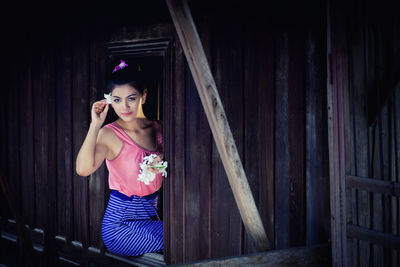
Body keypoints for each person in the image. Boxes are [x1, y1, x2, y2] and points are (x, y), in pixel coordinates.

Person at [75, 62, 164, 256]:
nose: (124, 106)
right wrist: (95, 124)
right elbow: (83, 169)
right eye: (117, 100)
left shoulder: (159, 129)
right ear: (110, 101)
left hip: (151, 219)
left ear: (144, 96)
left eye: (131, 98)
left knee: (182, 236)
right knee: (179, 239)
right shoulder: (109, 134)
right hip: (120, 227)